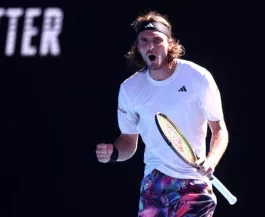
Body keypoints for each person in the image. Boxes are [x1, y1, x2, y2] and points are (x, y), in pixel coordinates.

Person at [95, 10, 229, 217]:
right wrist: (112, 153)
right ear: (138, 47)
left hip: (194, 184)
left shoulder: (198, 77)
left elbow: (219, 130)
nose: (150, 46)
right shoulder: (130, 88)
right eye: (144, 41)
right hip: (155, 182)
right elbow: (128, 143)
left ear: (170, 43)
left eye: (157, 40)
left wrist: (211, 161)